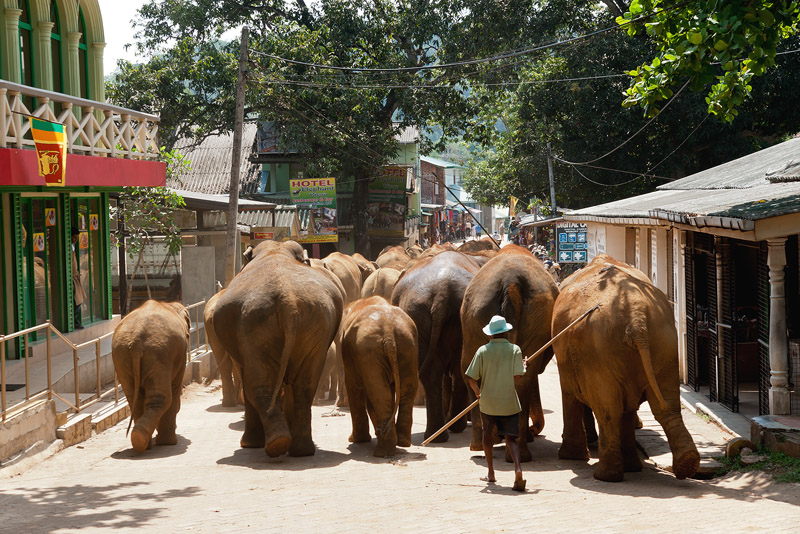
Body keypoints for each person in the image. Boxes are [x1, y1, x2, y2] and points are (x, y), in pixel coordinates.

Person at [465, 315, 526, 491]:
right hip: (508, 402)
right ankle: (518, 469)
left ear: (490, 334)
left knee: (487, 436)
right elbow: (518, 375)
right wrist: (524, 365)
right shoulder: (515, 349)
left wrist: (478, 394)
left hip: (488, 402)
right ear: (505, 332)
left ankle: (491, 473)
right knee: (511, 439)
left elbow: (471, 378)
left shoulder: (482, 351)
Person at [71, 227, 87, 329]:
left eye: (77, 238)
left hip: (75, 276)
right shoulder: (69, 248)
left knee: (79, 299)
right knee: (76, 300)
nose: (75, 240)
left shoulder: (73, 247)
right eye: (74, 237)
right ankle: (73, 320)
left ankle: (75, 319)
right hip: (72, 278)